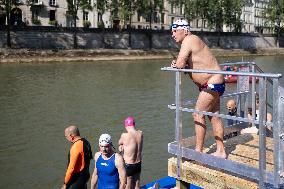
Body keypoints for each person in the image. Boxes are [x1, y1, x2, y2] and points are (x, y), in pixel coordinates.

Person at [170, 19, 226, 158]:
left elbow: (181, 63)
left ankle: (198, 151)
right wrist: (179, 64)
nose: (173, 34)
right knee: (214, 117)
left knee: (198, 114)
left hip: (212, 83)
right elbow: (189, 65)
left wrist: (177, 64)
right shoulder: (192, 41)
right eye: (172, 32)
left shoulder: (189, 40)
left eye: (175, 31)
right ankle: (221, 151)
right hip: (214, 82)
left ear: (185, 30)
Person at [118, 117, 143, 189]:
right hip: (138, 163)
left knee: (128, 183)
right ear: (134, 125)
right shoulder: (140, 134)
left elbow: (119, 142)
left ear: (126, 126)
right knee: (137, 183)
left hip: (129, 164)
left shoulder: (124, 135)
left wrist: (121, 145)